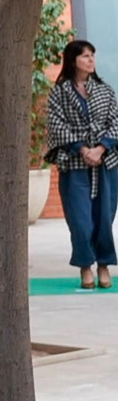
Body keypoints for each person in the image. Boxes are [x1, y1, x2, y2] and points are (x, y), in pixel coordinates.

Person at [45, 40, 118, 289]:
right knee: (80, 219)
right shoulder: (60, 92)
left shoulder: (105, 90)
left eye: (92, 56)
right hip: (74, 163)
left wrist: (101, 148)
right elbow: (56, 125)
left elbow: (115, 121)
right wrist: (82, 149)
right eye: (85, 56)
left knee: (104, 217)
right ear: (72, 59)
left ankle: (104, 265)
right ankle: (85, 265)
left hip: (105, 163)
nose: (90, 60)